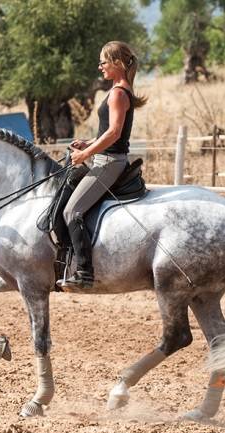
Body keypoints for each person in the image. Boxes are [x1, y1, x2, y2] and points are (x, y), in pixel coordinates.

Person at [57, 41, 147, 290]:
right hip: (103, 157)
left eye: (103, 62)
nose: (100, 67)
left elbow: (115, 133)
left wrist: (85, 152)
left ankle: (84, 271)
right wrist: (89, 142)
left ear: (117, 63)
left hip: (109, 163)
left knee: (72, 212)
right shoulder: (119, 90)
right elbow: (107, 132)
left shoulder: (118, 93)